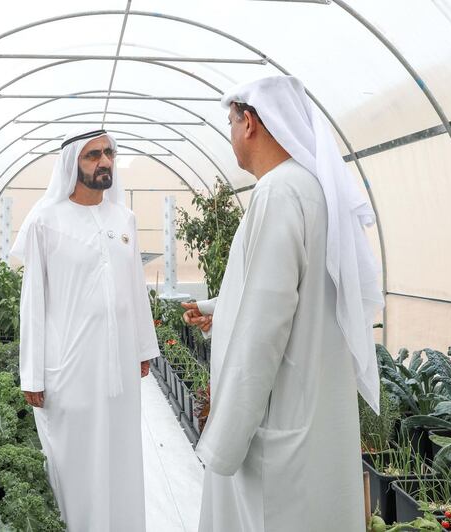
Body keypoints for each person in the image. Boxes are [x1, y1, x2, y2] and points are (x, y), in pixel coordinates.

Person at [182, 75, 384, 532]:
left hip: (280, 426)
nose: (230, 135)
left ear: (249, 122)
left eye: (230, 122)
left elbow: (263, 330)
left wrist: (223, 441)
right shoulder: (312, 189)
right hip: (313, 414)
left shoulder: (278, 192)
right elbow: (287, 293)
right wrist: (219, 309)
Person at [11, 127, 159, 532]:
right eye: (93, 155)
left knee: (122, 454)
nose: (104, 162)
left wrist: (144, 348)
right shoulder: (46, 221)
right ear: (72, 163)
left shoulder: (123, 218)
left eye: (109, 153)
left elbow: (135, 289)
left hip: (120, 369)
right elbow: (34, 302)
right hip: (70, 368)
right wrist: (32, 372)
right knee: (76, 460)